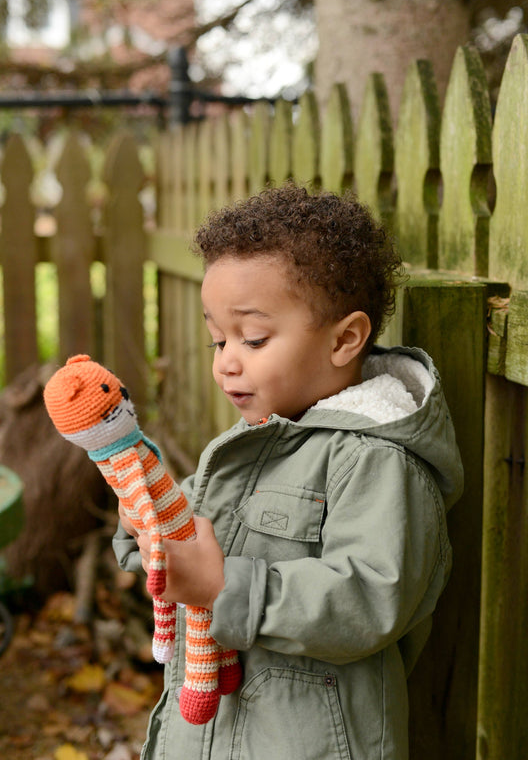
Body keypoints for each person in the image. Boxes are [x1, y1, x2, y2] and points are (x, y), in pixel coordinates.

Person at [113, 184, 463, 760]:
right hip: (213, 735)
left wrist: (223, 588)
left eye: (252, 338)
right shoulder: (254, 444)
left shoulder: (375, 459)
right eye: (217, 339)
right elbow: (188, 526)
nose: (226, 360)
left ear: (345, 339)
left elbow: (371, 597)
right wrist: (146, 520)